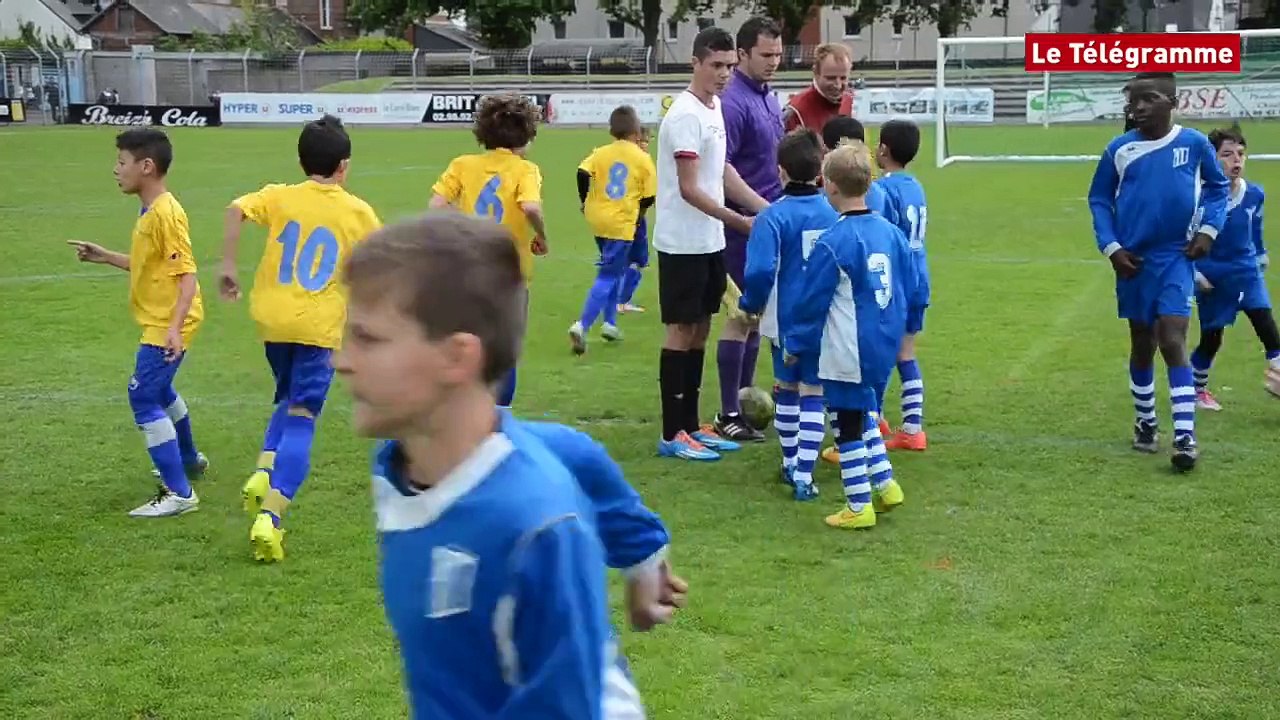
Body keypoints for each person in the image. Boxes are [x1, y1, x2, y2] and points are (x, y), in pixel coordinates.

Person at [337, 212, 616, 719]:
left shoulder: (536, 528)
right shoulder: (399, 467)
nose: (341, 359)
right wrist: (646, 562)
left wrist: (643, 553)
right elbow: (575, 449)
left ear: (457, 357)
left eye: (368, 338)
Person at [220, 114, 382, 562]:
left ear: (300, 159)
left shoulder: (279, 196)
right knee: (303, 415)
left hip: (272, 318)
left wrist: (228, 265)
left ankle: (262, 470)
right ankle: (270, 518)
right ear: (344, 166)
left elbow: (235, 209)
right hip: (316, 325)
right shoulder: (358, 211)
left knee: (287, 395)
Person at [1087, 72, 1229, 471]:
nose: (1140, 107)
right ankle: (1146, 421)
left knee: (1171, 335)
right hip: (1134, 260)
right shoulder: (1119, 149)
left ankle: (1185, 435)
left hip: (1175, 257)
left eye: (1149, 98)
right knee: (1142, 340)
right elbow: (1099, 199)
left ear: (1172, 102)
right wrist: (1112, 247)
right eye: (1134, 100)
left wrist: (1208, 230)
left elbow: (1217, 190)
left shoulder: (1194, 143)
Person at [68, 129, 206, 518]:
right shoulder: (151, 210)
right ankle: (190, 460)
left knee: (142, 394)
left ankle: (180, 493)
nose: (116, 170)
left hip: (169, 320)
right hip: (164, 318)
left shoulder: (166, 213)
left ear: (146, 166)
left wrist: (175, 329)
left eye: (121, 162)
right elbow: (150, 265)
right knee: (158, 390)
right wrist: (105, 256)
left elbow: (188, 275)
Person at [653, 25, 770, 462]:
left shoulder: (715, 107)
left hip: (708, 240)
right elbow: (688, 188)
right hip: (682, 241)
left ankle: (690, 423)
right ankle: (671, 432)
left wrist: (761, 208)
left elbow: (720, 172)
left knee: (701, 328)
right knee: (681, 330)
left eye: (728, 66)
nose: (723, 74)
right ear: (696, 63)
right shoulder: (684, 114)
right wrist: (740, 221)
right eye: (716, 66)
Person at [785, 141, 911, 530]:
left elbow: (811, 303)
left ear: (829, 186)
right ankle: (886, 485)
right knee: (862, 412)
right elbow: (912, 283)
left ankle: (858, 504)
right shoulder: (891, 234)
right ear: (870, 182)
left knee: (846, 422)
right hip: (883, 342)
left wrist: (794, 345)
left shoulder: (833, 241)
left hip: (848, 347)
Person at [737, 129, 838, 500]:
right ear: (820, 174)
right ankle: (805, 476)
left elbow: (761, 271)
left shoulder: (772, 217)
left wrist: (750, 305)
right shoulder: (834, 213)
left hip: (785, 319)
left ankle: (791, 462)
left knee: (786, 388)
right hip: (826, 318)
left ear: (780, 172)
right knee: (816, 390)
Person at [429, 93, 547, 410]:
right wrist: (542, 235)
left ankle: (462, 408)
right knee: (504, 348)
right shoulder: (525, 170)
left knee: (469, 341)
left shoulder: (463, 165)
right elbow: (532, 206)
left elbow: (436, 205)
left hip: (468, 268)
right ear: (526, 134)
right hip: (509, 272)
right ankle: (498, 417)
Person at [713, 16, 785, 443]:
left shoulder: (769, 97)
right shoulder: (733, 102)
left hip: (767, 224)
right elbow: (722, 170)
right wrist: (761, 209)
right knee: (742, 317)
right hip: (742, 227)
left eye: (778, 54)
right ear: (742, 54)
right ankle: (728, 412)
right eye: (765, 55)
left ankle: (742, 400)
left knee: (756, 318)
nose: (774, 62)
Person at [1190, 125, 1280, 409]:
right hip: (1213, 276)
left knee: (1266, 325)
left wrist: (1261, 252)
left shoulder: (1254, 193)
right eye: (1226, 155)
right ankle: (1196, 389)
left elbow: (1255, 225)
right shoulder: (1197, 197)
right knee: (1212, 338)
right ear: (1212, 159)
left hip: (1246, 270)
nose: (1236, 161)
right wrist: (1194, 274)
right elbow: (1181, 238)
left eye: (1240, 154)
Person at [570, 105, 656, 354]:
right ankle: (582, 325)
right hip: (621, 221)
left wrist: (584, 200)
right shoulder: (642, 158)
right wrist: (638, 214)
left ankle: (609, 324)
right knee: (608, 275)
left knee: (614, 269)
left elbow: (582, 172)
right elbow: (650, 195)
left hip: (598, 218)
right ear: (636, 130)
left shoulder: (601, 153)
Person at [874, 120, 932, 452]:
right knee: (906, 352)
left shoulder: (883, 190)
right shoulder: (915, 186)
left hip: (895, 280)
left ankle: (876, 417)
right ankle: (913, 427)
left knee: (881, 352)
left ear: (883, 149)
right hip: (919, 277)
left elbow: (879, 233)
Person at [617, 128, 654, 315]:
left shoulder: (623, 162)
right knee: (638, 260)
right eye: (644, 141)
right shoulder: (642, 163)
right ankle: (623, 301)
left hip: (618, 214)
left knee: (623, 258)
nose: (647, 145)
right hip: (635, 216)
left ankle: (617, 299)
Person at [783, 43, 855, 132]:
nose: (838, 85)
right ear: (816, 73)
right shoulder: (796, 111)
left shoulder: (849, 100)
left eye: (843, 78)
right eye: (831, 78)